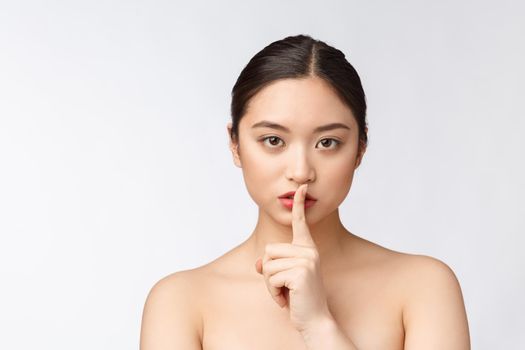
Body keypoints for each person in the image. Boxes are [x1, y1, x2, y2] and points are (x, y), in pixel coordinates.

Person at [140, 34, 471, 349]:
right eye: (273, 140)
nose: (300, 171)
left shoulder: (424, 288)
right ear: (235, 144)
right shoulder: (180, 302)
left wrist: (318, 325)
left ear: (360, 148)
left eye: (327, 143)